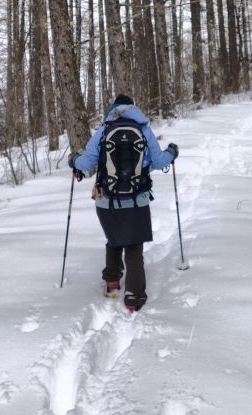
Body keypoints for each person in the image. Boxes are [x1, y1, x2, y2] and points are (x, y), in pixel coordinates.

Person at [69, 94, 178, 312]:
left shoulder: (103, 130)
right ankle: (134, 298)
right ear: (133, 108)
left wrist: (73, 159)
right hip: (137, 200)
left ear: (112, 109)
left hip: (105, 200)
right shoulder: (143, 129)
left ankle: (111, 284)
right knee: (134, 246)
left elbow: (86, 163)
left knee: (114, 239)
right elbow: (158, 161)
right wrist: (172, 152)